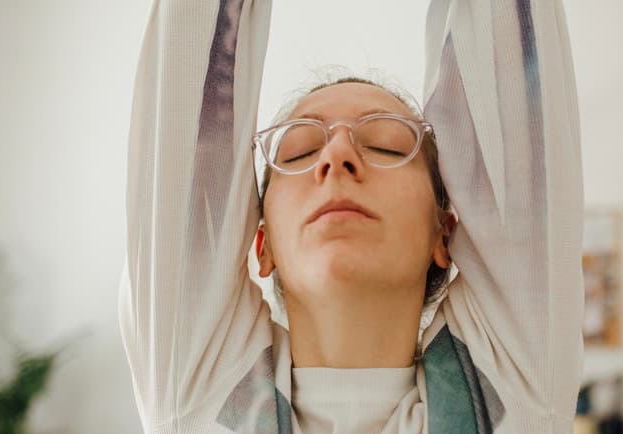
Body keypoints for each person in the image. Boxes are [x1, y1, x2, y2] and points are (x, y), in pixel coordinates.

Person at [118, 0, 584, 433]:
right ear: (264, 246)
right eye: (299, 152)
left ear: (443, 235)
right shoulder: (195, 391)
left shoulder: (520, 388)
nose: (337, 154)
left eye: (386, 145)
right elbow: (186, 98)